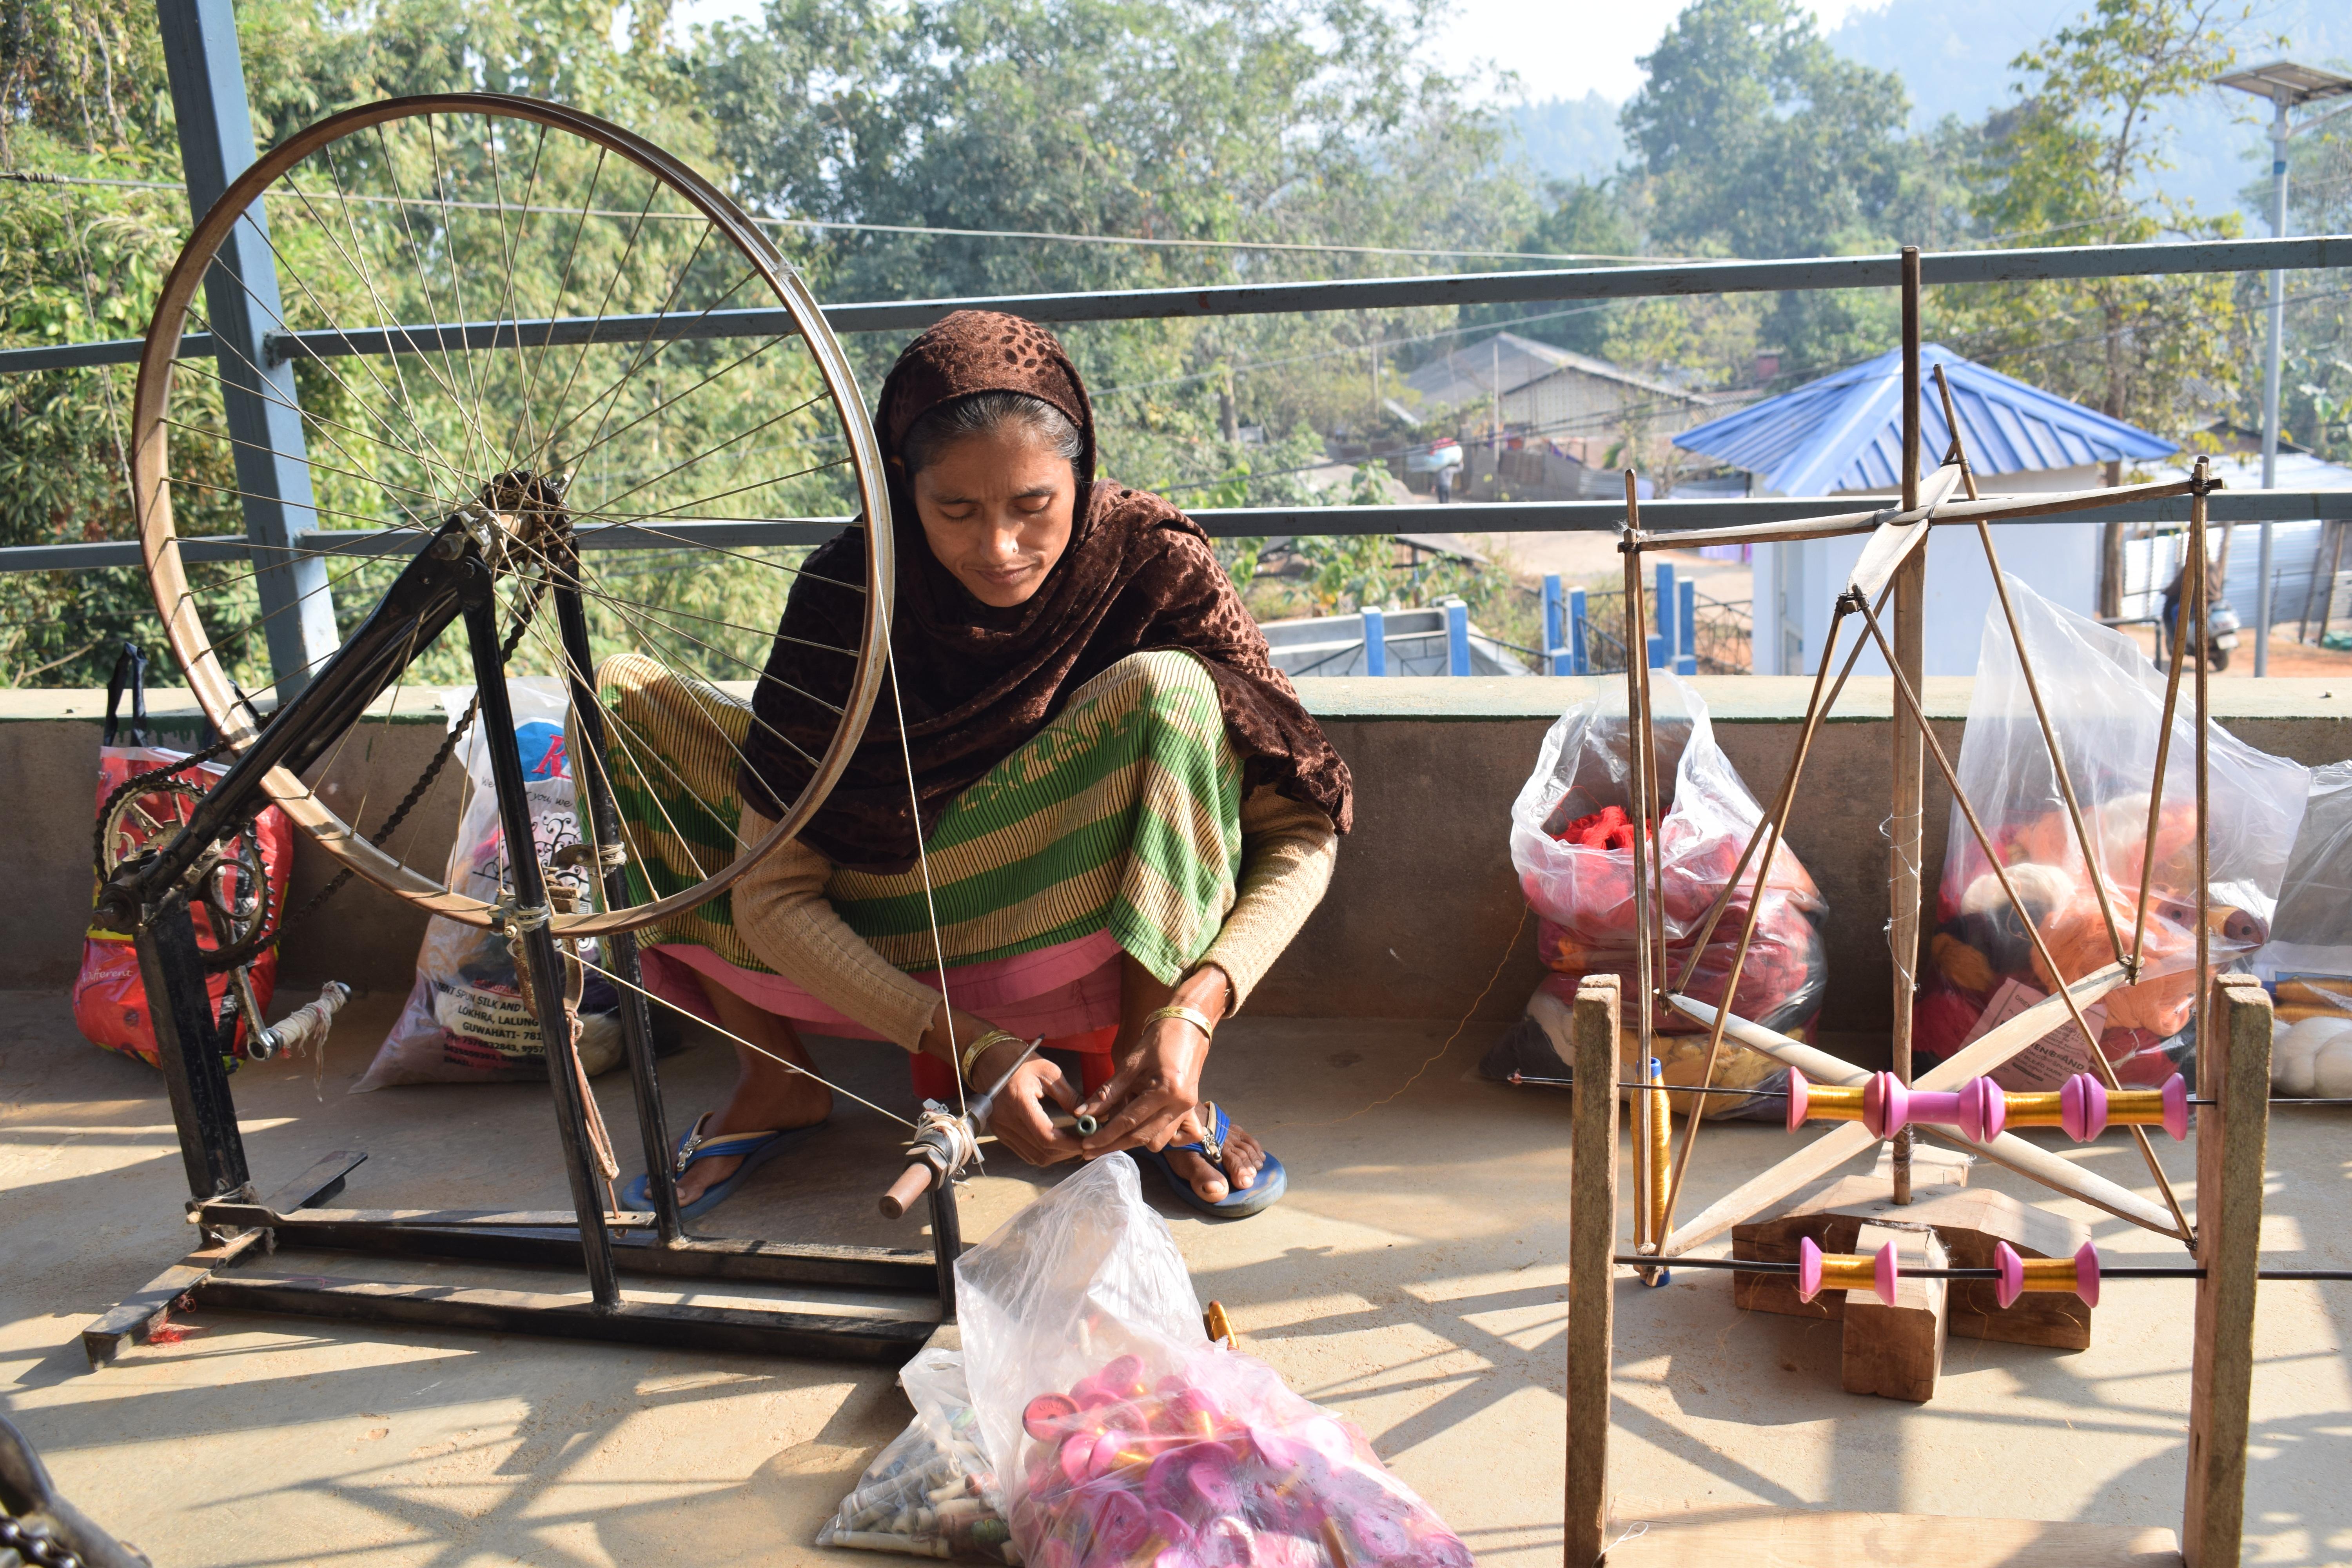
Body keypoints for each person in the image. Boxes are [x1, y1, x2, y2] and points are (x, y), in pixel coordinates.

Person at [603, 311, 1351, 1220]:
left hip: (1084, 910)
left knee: (1172, 688)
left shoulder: (1153, 564)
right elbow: (771, 893)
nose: (998, 548)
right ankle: (776, 1078)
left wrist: (1195, 1008)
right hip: (882, 921)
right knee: (620, 696)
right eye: (954, 510)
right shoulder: (851, 593)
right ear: (899, 491)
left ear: (1081, 474)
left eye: (1033, 504)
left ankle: (1150, 1090)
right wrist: (967, 1044)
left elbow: (1301, 827)